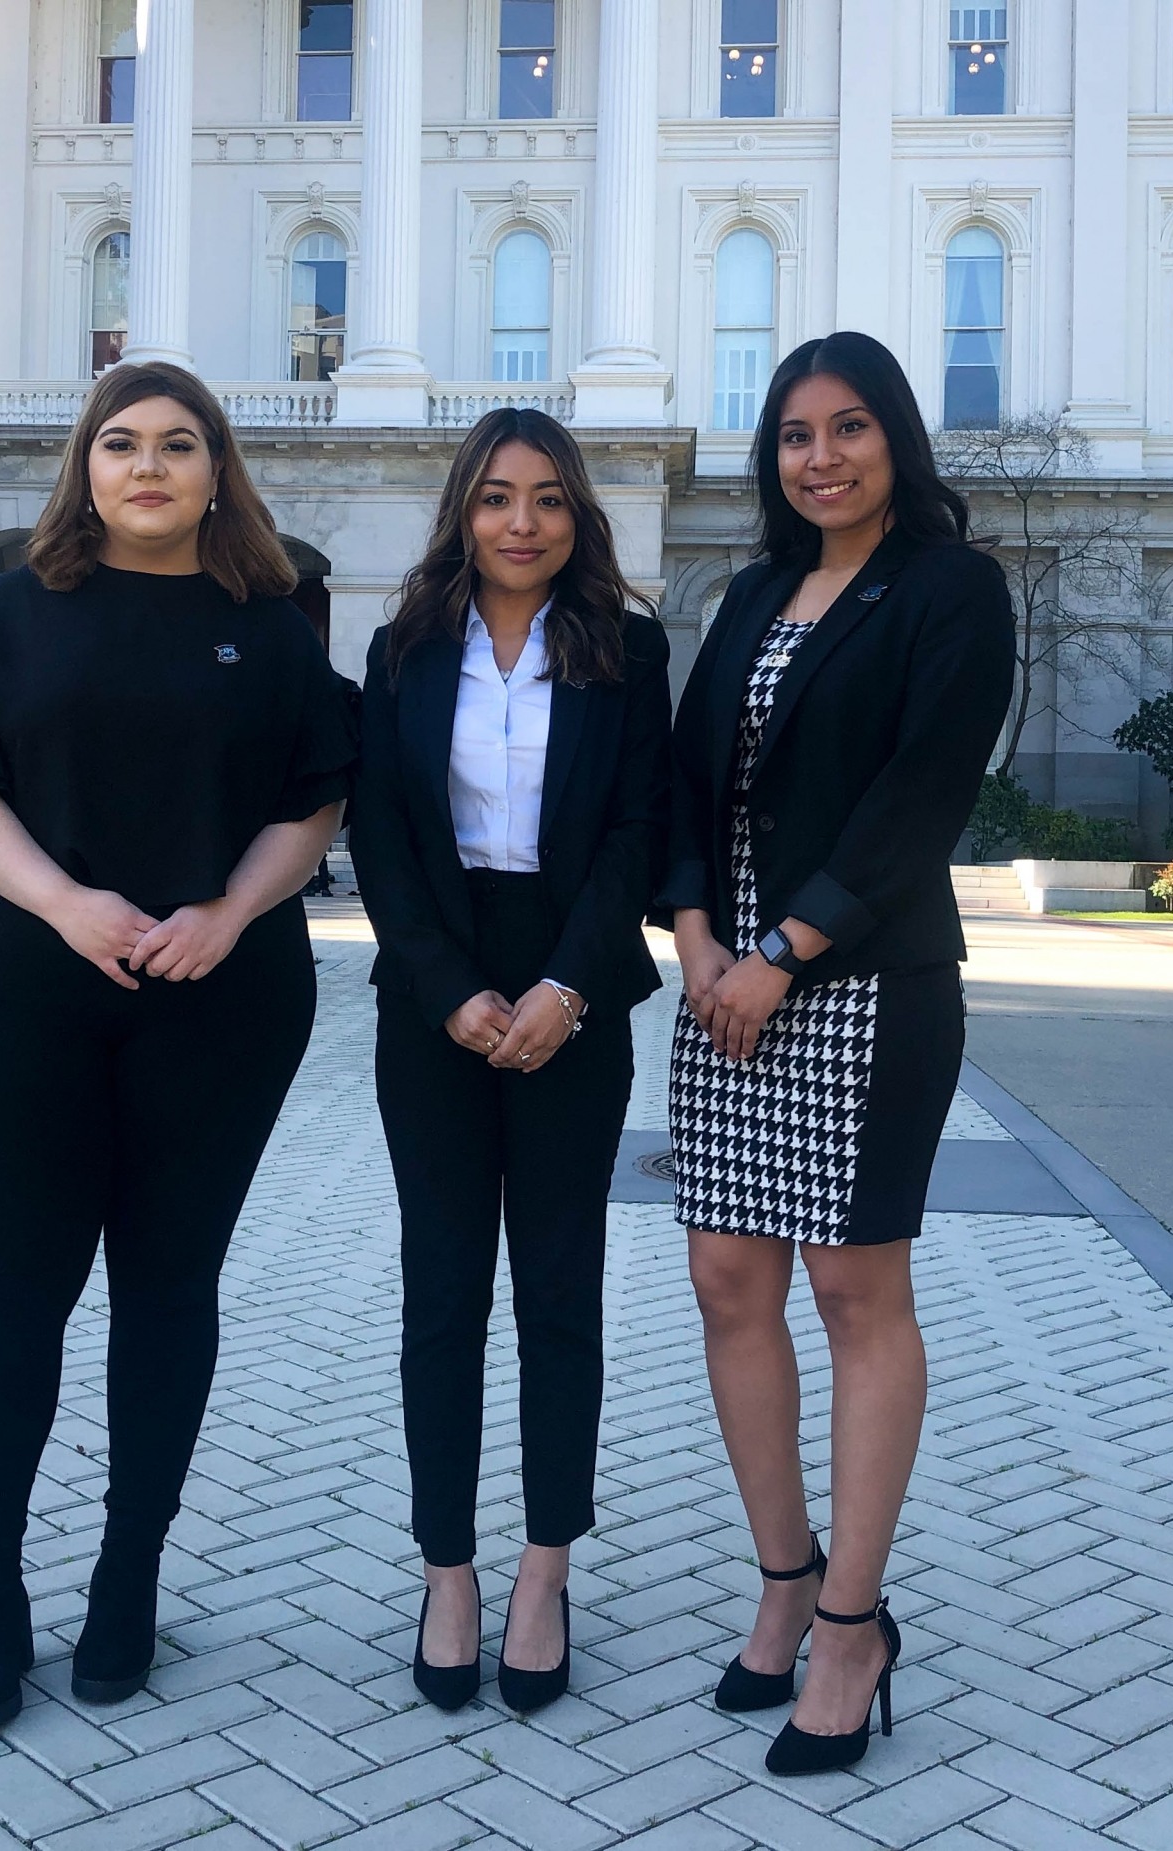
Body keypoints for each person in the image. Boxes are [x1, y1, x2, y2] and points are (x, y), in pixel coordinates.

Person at [0, 362, 355, 1734]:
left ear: (215, 470)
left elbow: (315, 799)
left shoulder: (270, 624)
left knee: (167, 1293)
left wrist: (229, 909)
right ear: (85, 465)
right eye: (121, 442)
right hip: (28, 994)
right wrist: (69, 904)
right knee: (10, 1299)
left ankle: (129, 1578)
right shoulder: (14, 608)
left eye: (179, 444)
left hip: (220, 999)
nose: (148, 465)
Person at [662, 332, 1015, 1776]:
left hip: (859, 980)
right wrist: (696, 945)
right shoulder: (750, 592)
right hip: (721, 986)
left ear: (896, 439)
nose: (823, 455)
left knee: (854, 1288)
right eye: (797, 434)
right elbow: (684, 780)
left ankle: (857, 1625)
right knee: (726, 1276)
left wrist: (781, 950)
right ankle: (785, 1581)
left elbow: (921, 794)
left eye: (851, 426)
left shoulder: (951, 589)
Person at [352, 409, 671, 1714]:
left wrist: (566, 984)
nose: (522, 521)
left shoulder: (625, 651)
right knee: (443, 1292)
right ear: (462, 512)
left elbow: (641, 829)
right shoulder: (404, 648)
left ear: (578, 513)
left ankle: (545, 1566)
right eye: (496, 498)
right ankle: (449, 1570)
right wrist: (447, 989)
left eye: (546, 498)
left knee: (557, 1290)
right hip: (434, 991)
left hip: (571, 984)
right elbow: (378, 830)